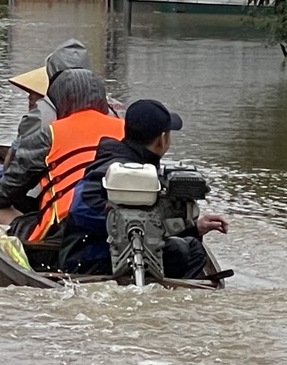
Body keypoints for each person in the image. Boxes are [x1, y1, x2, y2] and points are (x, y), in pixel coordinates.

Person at [73, 99, 228, 278]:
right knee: (191, 249)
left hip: (86, 258)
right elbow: (90, 212)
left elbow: (147, 222)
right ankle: (179, 298)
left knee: (184, 242)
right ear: (162, 139)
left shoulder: (107, 163)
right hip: (94, 261)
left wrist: (194, 227)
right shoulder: (125, 171)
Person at [0, 39, 93, 221]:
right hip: (96, 200)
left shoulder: (41, 115)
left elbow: (18, 173)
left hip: (50, 203)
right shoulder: (112, 109)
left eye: (32, 95)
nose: (29, 98)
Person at [21, 69, 124, 251]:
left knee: (0, 214)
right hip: (120, 222)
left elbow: (16, 180)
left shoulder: (50, 132)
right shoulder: (126, 128)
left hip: (61, 225)